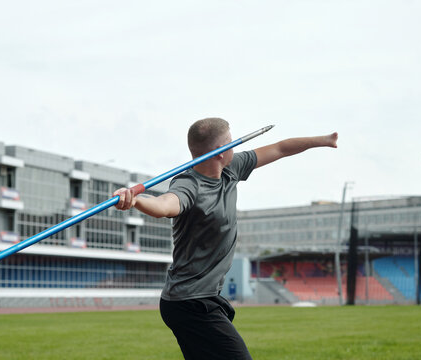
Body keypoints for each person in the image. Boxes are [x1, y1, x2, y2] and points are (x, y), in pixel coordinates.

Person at [113, 118, 338, 360]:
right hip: (189, 302)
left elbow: (281, 148)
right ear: (219, 153)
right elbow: (165, 205)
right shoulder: (190, 185)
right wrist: (135, 200)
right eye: (230, 142)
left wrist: (324, 141)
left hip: (203, 297)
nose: (234, 147)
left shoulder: (232, 168)